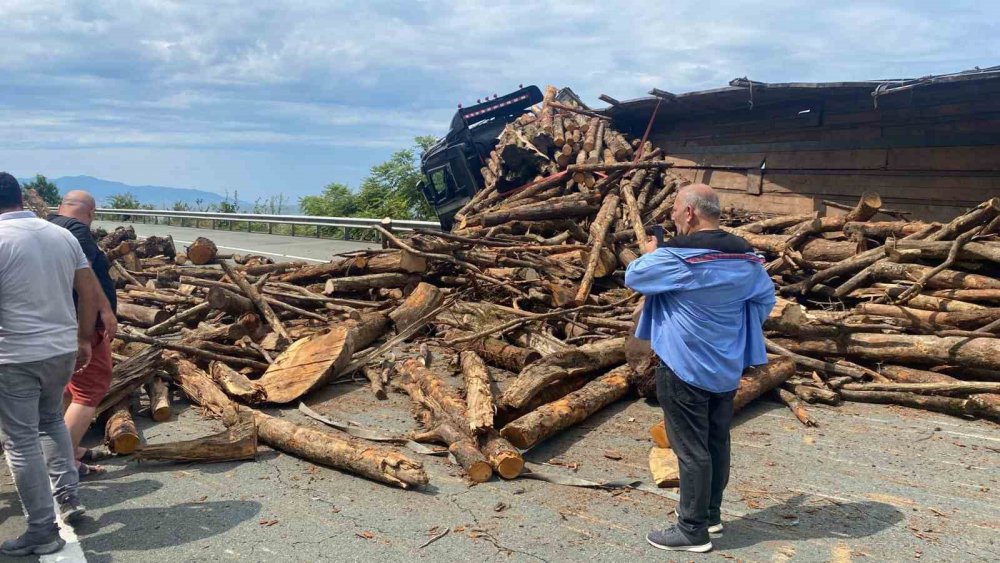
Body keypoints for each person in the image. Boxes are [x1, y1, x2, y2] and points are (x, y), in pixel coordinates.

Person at [625, 184, 775, 553]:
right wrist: (732, 331)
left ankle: (692, 530)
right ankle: (710, 515)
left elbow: (634, 277)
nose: (672, 217)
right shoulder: (746, 259)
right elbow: (765, 300)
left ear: (690, 212)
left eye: (675, 209)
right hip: (725, 366)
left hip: (683, 366)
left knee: (690, 448)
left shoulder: (676, 259)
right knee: (715, 441)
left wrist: (649, 253)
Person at [0, 172, 104, 556]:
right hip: (60, 348)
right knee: (49, 423)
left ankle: (42, 529)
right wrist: (82, 338)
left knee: (21, 439)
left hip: (15, 353)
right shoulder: (60, 234)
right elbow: (88, 289)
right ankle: (69, 498)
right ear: (20, 198)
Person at [50, 191, 118, 477]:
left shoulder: (49, 226)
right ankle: (63, 463)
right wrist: (105, 311)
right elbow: (86, 277)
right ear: (90, 214)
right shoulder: (77, 230)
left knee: (67, 386)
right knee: (91, 386)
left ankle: (66, 447)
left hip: (58, 320)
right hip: (82, 323)